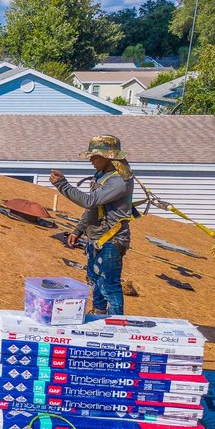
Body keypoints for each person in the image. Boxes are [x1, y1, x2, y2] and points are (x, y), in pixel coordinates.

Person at [49, 135, 134, 315]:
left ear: (108, 157)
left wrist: (62, 185)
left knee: (109, 285)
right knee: (96, 280)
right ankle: (98, 314)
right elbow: (95, 208)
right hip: (97, 237)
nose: (90, 160)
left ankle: (116, 324)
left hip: (112, 240)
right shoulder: (102, 175)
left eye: (94, 157)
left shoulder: (119, 180)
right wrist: (79, 230)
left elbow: (90, 201)